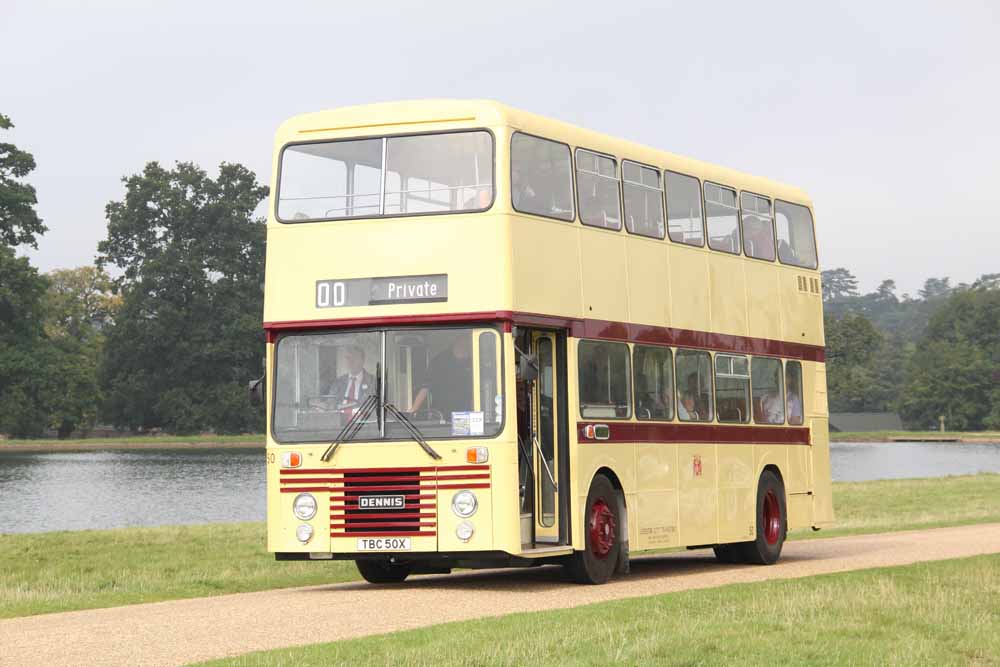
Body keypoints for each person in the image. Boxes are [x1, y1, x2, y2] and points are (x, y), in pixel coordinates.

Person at [410, 333, 473, 416]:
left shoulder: (473, 362)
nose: (468, 346)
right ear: (456, 342)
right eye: (465, 343)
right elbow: (425, 387)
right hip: (441, 415)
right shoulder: (439, 362)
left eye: (469, 344)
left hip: (466, 415)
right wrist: (413, 411)